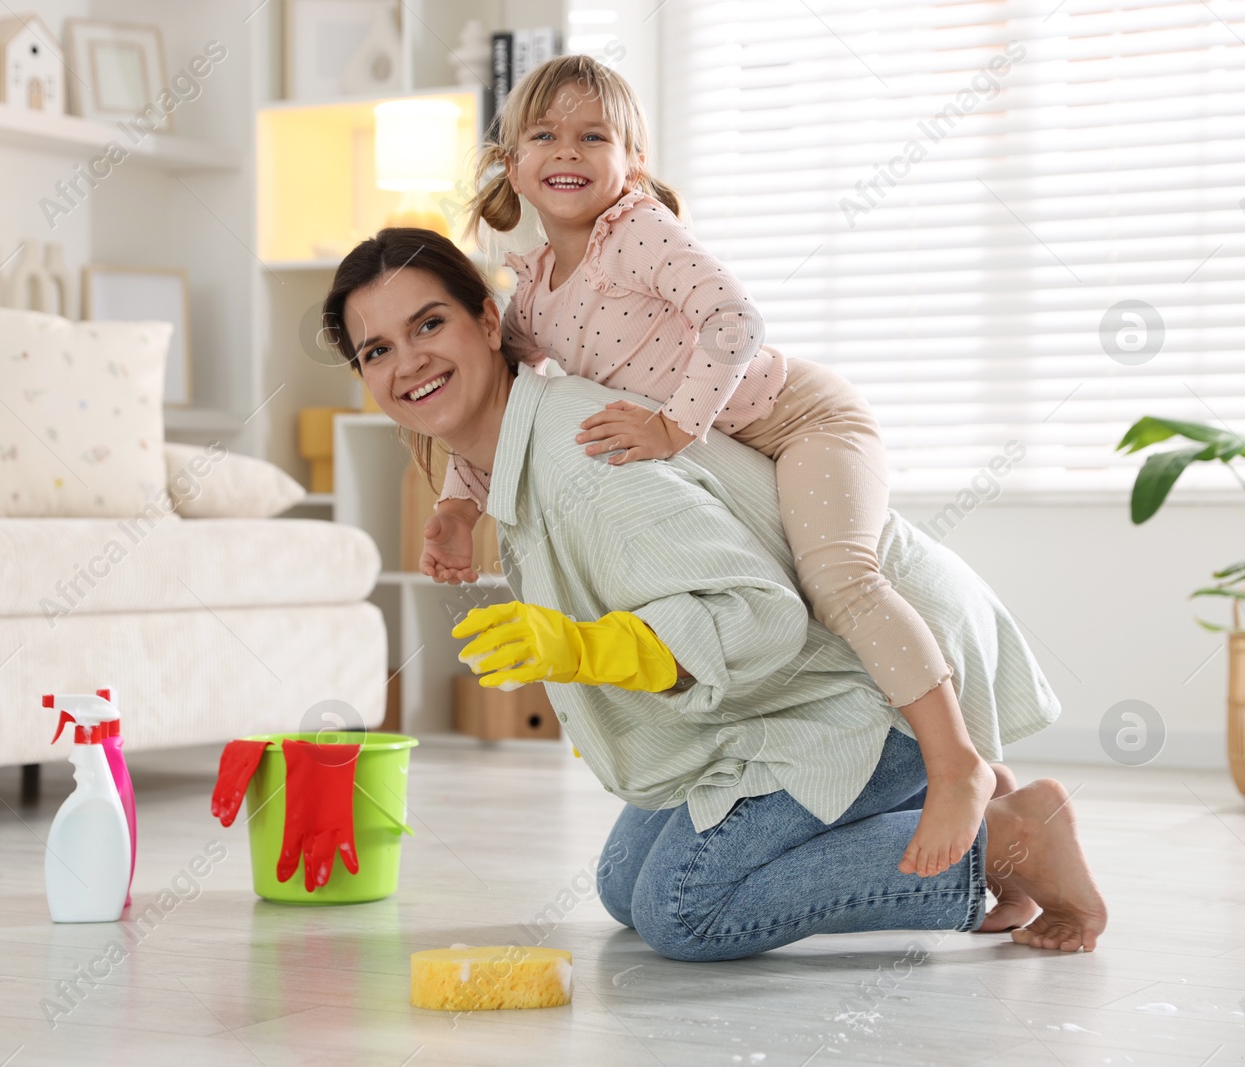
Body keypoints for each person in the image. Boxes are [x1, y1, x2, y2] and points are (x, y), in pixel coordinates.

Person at [322, 228, 1108, 959]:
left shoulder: (579, 461)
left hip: (872, 690)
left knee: (683, 908)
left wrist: (594, 649)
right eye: (378, 350)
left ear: (488, 322)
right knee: (624, 887)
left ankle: (1005, 843)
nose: (410, 362)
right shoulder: (517, 453)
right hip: (790, 700)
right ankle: (966, 808)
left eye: (430, 325)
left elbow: (766, 618)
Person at [420, 53, 992, 881]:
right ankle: (1002, 804)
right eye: (544, 136)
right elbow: (506, 401)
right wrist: (457, 507)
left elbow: (736, 320)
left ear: (633, 162)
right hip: (735, 451)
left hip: (801, 420)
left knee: (840, 579)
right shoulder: (537, 289)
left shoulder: (639, 232)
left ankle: (957, 763)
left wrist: (671, 426)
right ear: (514, 165)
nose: (568, 152)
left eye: (594, 135)